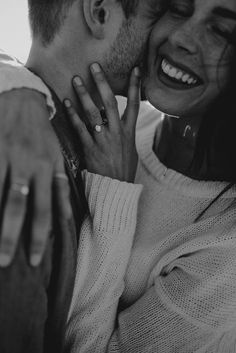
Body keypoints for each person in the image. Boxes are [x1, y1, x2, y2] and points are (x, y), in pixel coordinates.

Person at [2, 0, 236, 352]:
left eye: (221, 30)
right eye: (175, 8)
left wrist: (114, 195)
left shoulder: (224, 244)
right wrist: (16, 94)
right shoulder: (118, 121)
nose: (180, 38)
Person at [0, 0, 166, 352]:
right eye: (158, 15)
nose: (169, 37)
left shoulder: (112, 142)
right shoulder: (18, 152)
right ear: (100, 12)